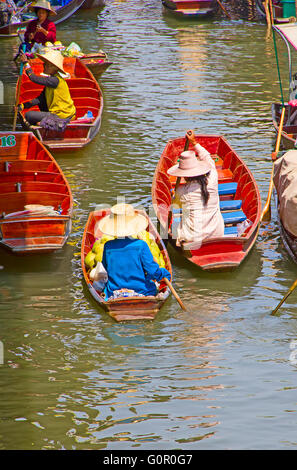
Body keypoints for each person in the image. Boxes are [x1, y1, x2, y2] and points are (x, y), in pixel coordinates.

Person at [97, 203, 171, 300]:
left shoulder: (108, 246)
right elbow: (153, 271)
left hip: (114, 292)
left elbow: (106, 270)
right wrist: (164, 273)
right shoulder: (141, 245)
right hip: (141, 291)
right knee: (160, 277)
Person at [167, 129, 224, 247]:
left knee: (178, 227)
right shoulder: (212, 177)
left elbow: (174, 203)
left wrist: (173, 197)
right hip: (217, 233)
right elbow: (208, 158)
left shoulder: (182, 192)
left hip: (193, 239)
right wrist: (194, 142)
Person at [18, 48, 76, 126]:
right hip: (59, 114)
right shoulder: (51, 82)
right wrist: (23, 106)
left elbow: (33, 78)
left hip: (62, 115)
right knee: (42, 102)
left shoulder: (55, 80)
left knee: (28, 115)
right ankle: (45, 122)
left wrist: (26, 63)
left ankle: (47, 123)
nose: (44, 66)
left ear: (55, 68)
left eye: (47, 65)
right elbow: (39, 99)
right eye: (44, 64)